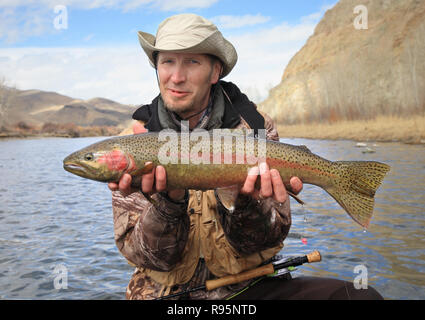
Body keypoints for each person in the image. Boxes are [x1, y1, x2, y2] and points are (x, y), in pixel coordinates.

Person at [109, 13, 383, 300]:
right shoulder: (137, 141)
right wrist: (169, 201)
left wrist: (246, 202)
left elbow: (269, 239)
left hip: (249, 289)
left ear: (215, 72)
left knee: (360, 297)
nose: (176, 76)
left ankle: (341, 179)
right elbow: (148, 257)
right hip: (164, 294)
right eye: (167, 61)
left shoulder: (256, 127)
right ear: (157, 67)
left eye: (192, 62)